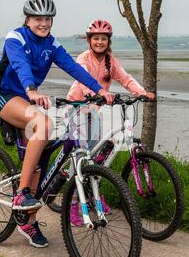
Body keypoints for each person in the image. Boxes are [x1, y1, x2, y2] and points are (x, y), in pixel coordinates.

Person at [0, 0, 114, 248]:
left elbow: (73, 68)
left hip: (27, 98)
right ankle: (21, 195)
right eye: (38, 19)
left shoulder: (51, 44)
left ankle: (28, 221)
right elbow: (20, 64)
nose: (44, 23)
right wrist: (32, 89)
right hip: (6, 96)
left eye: (48, 19)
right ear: (27, 19)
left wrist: (98, 90)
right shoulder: (16, 38)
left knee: (38, 162)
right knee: (44, 125)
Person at [66, 19, 155, 226]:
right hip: (77, 106)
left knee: (105, 148)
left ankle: (93, 192)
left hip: (95, 109)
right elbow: (82, 78)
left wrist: (141, 93)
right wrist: (96, 93)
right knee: (80, 155)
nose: (99, 42)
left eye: (103, 39)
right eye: (95, 38)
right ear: (89, 40)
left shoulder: (110, 61)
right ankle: (71, 204)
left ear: (108, 41)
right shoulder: (83, 58)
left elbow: (125, 78)